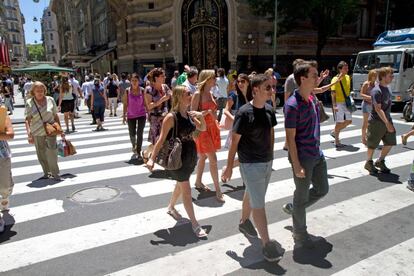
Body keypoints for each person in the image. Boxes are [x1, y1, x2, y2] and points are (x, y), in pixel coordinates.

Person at [222, 74, 282, 262]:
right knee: (259, 204)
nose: (272, 91)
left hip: (266, 162)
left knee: (252, 192)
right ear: (255, 90)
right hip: (250, 164)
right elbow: (234, 143)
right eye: (268, 88)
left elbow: (271, 134)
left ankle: (243, 222)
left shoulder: (270, 111)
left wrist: (271, 157)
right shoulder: (244, 113)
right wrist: (229, 167)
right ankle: (266, 243)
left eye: (272, 87)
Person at [146, 85, 208, 238]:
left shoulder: (189, 114)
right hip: (176, 157)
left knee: (181, 185)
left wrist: (200, 116)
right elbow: (161, 139)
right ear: (179, 96)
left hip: (189, 155)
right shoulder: (170, 117)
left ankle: (171, 207)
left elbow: (203, 129)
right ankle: (195, 224)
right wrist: (151, 159)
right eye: (188, 93)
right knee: (186, 190)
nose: (191, 95)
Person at [283, 61, 329, 249]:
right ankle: (300, 234)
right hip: (303, 157)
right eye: (314, 75)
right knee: (301, 197)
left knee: (322, 189)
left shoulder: (311, 98)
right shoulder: (292, 105)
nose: (317, 78)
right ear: (303, 79)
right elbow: (290, 139)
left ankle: (295, 209)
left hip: (317, 154)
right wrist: (296, 164)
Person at [191, 69, 224, 203]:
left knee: (204, 156)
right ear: (207, 79)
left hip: (212, 128)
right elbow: (192, 114)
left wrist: (214, 115)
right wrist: (205, 113)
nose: (215, 79)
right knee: (213, 159)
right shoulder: (197, 94)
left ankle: (198, 181)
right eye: (213, 78)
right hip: (203, 129)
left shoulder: (210, 93)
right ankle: (218, 189)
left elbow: (215, 113)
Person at [25, 81, 63, 181]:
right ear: (33, 91)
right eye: (37, 91)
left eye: (42, 90)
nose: (40, 92)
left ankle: (55, 173)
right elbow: (28, 119)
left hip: (50, 130)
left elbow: (55, 115)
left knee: (52, 152)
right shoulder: (29, 102)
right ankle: (47, 172)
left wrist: (60, 129)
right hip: (37, 131)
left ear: (44, 90)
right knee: (41, 153)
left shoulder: (50, 99)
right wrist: (29, 133)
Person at [364, 67, 396, 174]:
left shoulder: (388, 88)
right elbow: (378, 109)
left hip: (387, 119)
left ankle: (380, 161)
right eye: (390, 75)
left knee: (390, 142)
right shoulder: (376, 91)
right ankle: (368, 163)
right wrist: (387, 123)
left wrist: (388, 121)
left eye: (392, 75)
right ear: (382, 77)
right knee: (372, 144)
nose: (392, 77)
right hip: (376, 121)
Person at [221, 73, 253, 180]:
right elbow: (225, 110)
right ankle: (245, 181)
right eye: (238, 81)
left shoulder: (252, 96)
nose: (240, 83)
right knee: (243, 155)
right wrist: (235, 119)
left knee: (247, 155)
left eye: (242, 81)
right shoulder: (234, 96)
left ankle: (228, 168)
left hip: (250, 130)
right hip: (238, 129)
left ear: (248, 82)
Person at [123, 73, 147, 161]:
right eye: (132, 81)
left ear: (139, 81)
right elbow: (125, 104)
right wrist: (124, 115)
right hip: (131, 115)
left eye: (136, 81)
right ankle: (134, 144)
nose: (134, 82)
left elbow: (145, 102)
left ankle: (138, 151)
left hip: (142, 114)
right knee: (132, 133)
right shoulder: (127, 91)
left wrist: (148, 112)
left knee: (140, 133)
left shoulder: (142, 90)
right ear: (130, 81)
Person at [144, 68, 172, 146]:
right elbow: (149, 106)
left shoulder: (165, 87)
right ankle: (147, 154)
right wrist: (161, 100)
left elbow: (172, 95)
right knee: (156, 143)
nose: (165, 77)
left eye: (164, 76)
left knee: (165, 141)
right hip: (155, 119)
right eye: (162, 76)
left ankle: (151, 155)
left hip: (165, 118)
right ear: (156, 78)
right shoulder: (149, 89)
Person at [330, 61, 352, 147]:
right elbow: (333, 93)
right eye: (345, 68)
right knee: (339, 122)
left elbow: (348, 90)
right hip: (338, 102)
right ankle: (337, 141)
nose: (347, 69)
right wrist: (334, 105)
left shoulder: (348, 77)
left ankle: (334, 132)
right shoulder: (335, 79)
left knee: (349, 121)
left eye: (347, 68)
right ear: (339, 69)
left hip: (347, 102)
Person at [0, 112, 14, 233]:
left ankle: (5, 197)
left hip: (2, 156)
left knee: (5, 186)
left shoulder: (2, 115)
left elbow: (10, 135)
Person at [360, 70, 377, 145]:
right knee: (365, 122)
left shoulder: (376, 84)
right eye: (374, 76)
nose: (375, 77)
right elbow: (361, 94)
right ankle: (363, 139)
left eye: (376, 76)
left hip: (373, 105)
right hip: (366, 105)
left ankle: (369, 137)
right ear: (370, 76)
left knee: (372, 123)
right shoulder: (366, 84)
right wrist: (370, 97)